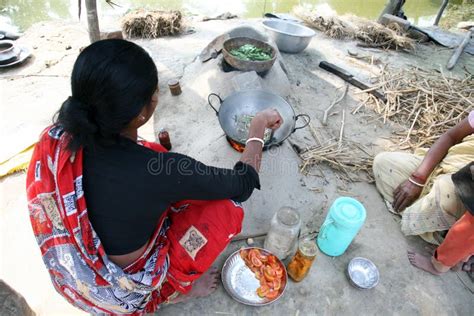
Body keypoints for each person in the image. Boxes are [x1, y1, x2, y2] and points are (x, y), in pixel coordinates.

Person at [26, 39, 283, 314]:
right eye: (154, 92)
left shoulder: (55, 138)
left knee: (153, 151)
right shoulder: (161, 170)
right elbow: (242, 184)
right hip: (122, 289)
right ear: (140, 114)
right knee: (227, 208)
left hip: (71, 272)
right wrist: (257, 129)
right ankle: (170, 290)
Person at [373, 111, 474, 275]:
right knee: (383, 163)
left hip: (463, 195)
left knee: (445, 192)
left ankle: (448, 245)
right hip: (440, 170)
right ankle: (433, 225)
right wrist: (417, 178)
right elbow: (451, 137)